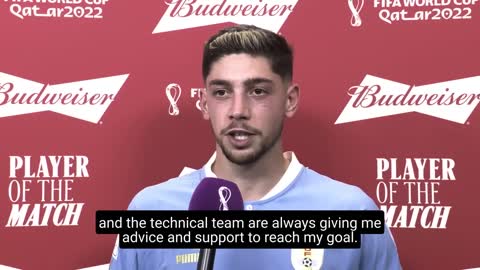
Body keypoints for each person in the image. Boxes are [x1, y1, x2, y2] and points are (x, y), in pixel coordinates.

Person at [109, 24, 402, 270]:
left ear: (290, 100)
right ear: (203, 103)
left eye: (257, 91)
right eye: (222, 92)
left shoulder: (352, 212)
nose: (238, 110)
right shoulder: (151, 210)